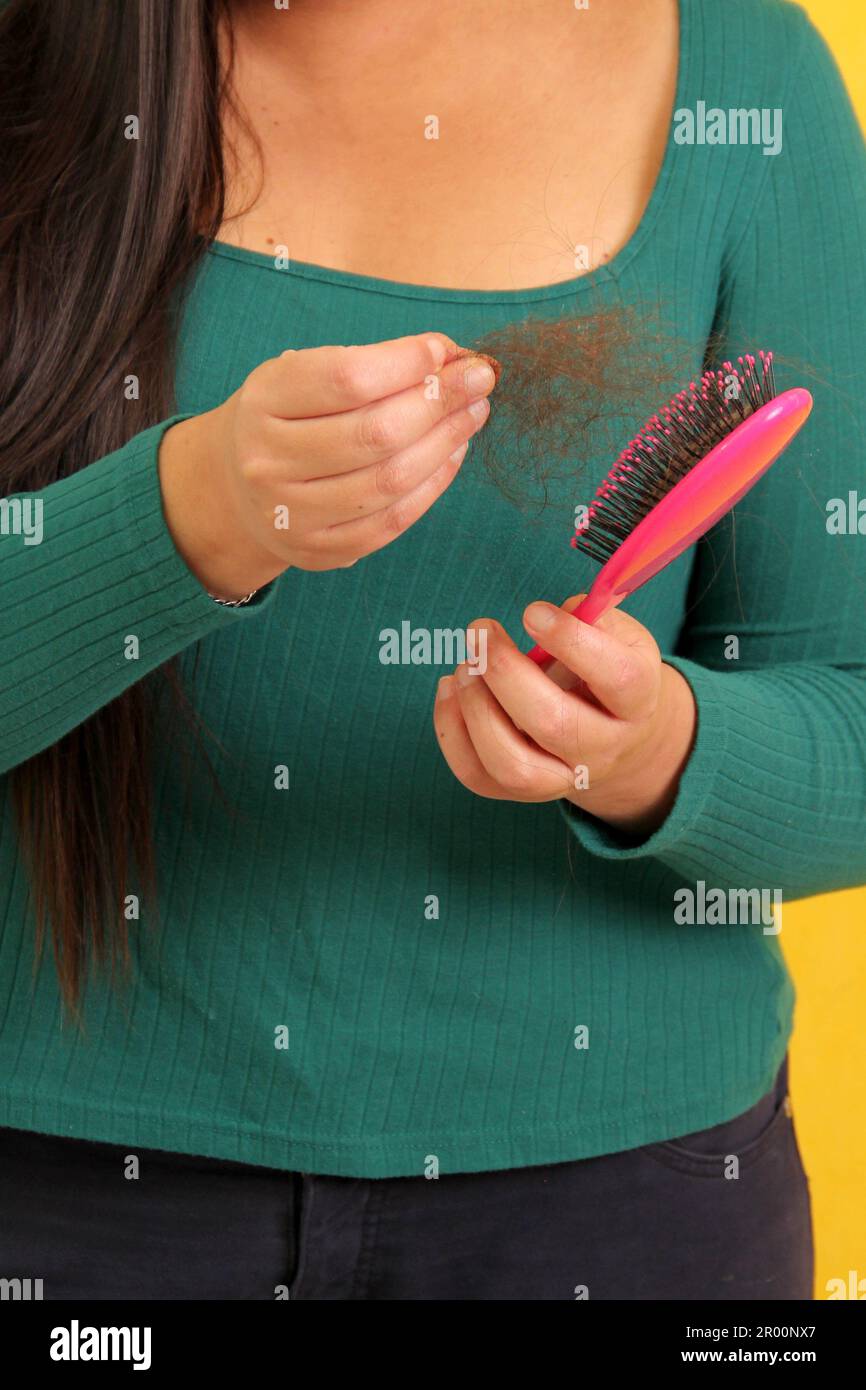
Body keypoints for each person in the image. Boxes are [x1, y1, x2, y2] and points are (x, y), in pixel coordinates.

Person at [0, 0, 863, 1300]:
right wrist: (194, 511)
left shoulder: (744, 74)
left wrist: (658, 754)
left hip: (628, 1209)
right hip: (68, 1201)